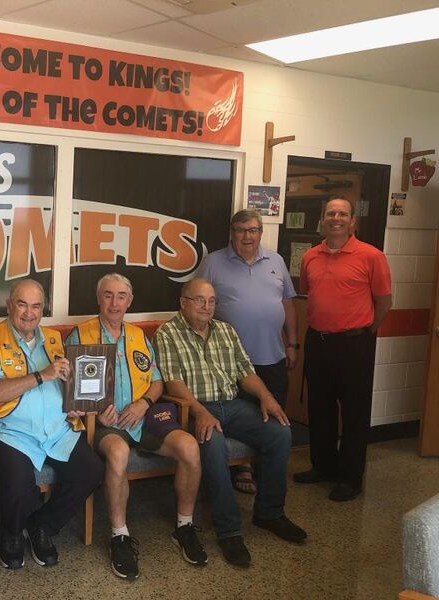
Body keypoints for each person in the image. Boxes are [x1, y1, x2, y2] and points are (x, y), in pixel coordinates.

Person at [153, 278, 307, 569]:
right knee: (213, 444)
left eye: (211, 301)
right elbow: (173, 385)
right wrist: (201, 412)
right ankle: (229, 531)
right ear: (183, 302)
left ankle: (270, 513)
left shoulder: (225, 330)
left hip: (234, 405)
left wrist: (266, 396)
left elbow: (245, 373)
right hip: (197, 408)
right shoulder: (168, 333)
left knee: (280, 432)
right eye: (199, 300)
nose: (206, 306)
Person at [66, 273, 205, 580]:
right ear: (98, 298)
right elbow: (73, 388)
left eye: (121, 296)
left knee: (189, 446)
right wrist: (97, 410)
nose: (114, 303)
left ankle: (184, 527)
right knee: (117, 452)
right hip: (105, 423)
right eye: (108, 295)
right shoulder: (81, 334)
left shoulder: (139, 336)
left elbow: (156, 381)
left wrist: (143, 403)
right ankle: (120, 536)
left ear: (130, 301)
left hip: (142, 417)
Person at [0, 279, 104, 570]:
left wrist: (74, 401)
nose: (29, 313)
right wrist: (41, 375)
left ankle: (42, 525)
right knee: (18, 483)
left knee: (91, 471)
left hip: (56, 430)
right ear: (9, 306)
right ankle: (12, 534)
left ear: (43, 310)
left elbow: (67, 382)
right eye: (22, 304)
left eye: (36, 306)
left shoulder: (53, 338)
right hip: (10, 432)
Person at [295, 197, 392, 502]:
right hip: (318, 341)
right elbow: (310, 293)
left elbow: (384, 303)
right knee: (319, 409)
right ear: (322, 220)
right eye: (330, 213)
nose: (336, 218)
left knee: (354, 412)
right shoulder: (310, 256)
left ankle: (350, 478)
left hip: (354, 344)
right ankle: (322, 467)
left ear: (353, 222)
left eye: (343, 214)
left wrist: (363, 331)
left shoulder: (372, 256)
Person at [198, 209, 298, 494]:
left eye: (252, 230)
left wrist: (293, 342)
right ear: (232, 232)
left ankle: (267, 482)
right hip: (229, 364)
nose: (247, 236)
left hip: (273, 358)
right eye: (241, 230)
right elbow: (196, 302)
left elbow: (288, 304)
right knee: (236, 422)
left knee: (274, 421)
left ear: (260, 232)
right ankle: (239, 470)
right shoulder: (214, 262)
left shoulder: (276, 261)